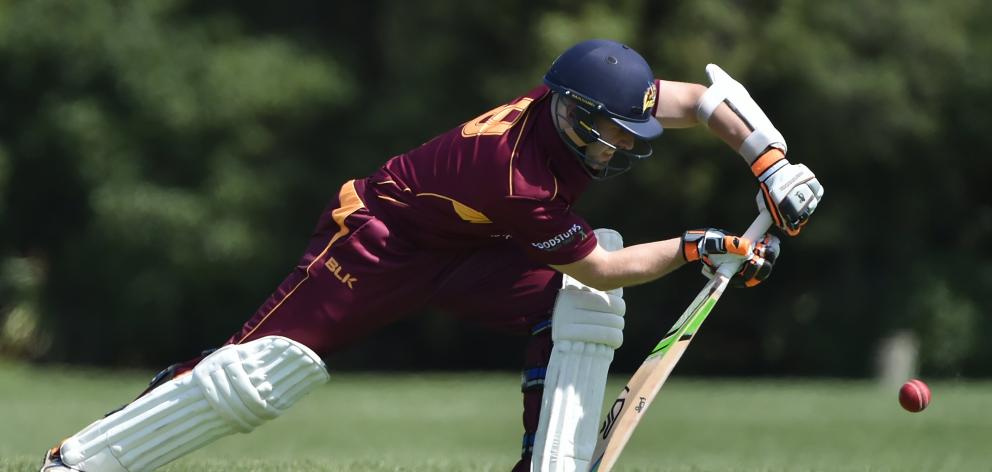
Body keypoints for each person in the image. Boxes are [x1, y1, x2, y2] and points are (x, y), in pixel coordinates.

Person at [41, 39, 823, 472]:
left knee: (571, 312)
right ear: (577, 114)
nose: (625, 145)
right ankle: (79, 462)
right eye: (614, 133)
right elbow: (600, 266)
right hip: (381, 240)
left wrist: (771, 164)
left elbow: (707, 100)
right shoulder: (516, 176)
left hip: (471, 249)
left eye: (631, 131)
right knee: (253, 370)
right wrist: (703, 245)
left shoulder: (592, 107)